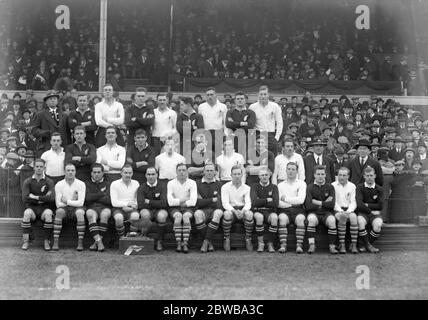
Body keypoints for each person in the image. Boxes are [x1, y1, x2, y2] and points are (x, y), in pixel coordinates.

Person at [21, 158, 55, 251]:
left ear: (44, 168)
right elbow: (25, 198)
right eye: (37, 166)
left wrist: (35, 197)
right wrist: (43, 199)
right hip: (32, 208)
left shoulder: (49, 181)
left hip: (45, 208)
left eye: (41, 166)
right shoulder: (28, 181)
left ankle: (46, 241)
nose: (39, 168)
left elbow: (51, 198)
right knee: (26, 214)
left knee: (48, 214)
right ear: (34, 168)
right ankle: (26, 241)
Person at [304, 165, 338, 254]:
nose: (320, 176)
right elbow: (308, 205)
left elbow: (331, 205)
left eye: (322, 174)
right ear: (314, 175)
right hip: (313, 213)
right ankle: (311, 245)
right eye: (318, 174)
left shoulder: (330, 187)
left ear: (325, 175)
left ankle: (332, 246)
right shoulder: (310, 187)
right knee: (311, 219)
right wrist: (324, 203)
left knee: (332, 220)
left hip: (327, 213)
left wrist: (317, 202)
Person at [53, 163, 86, 251]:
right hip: (64, 209)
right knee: (59, 212)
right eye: (68, 170)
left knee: (80, 213)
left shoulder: (81, 184)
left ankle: (80, 242)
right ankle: (55, 242)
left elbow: (81, 203)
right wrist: (73, 201)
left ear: (75, 172)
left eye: (72, 170)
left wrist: (67, 201)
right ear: (64, 172)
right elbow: (58, 204)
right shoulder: (59, 184)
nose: (70, 172)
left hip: (77, 208)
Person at [221, 164, 254, 251]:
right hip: (231, 209)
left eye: (239, 174)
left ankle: (248, 239)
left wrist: (242, 211)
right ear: (231, 175)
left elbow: (248, 203)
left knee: (249, 214)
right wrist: (234, 211)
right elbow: (225, 203)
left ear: (242, 175)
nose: (237, 176)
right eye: (234, 174)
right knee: (226, 214)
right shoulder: (225, 187)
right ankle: (226, 239)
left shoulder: (247, 188)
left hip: (242, 209)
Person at [277, 162, 307, 253]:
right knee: (282, 218)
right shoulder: (280, 185)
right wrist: (292, 203)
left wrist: (285, 198)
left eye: (293, 169)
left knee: (300, 219)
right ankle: (283, 245)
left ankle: (299, 245)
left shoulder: (302, 184)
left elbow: (301, 200)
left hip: (298, 210)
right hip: (284, 209)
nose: (291, 171)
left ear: (297, 171)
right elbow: (278, 202)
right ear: (286, 170)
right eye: (289, 169)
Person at [167, 163, 197, 253]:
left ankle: (185, 243)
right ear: (176, 172)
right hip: (174, 208)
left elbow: (193, 201)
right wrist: (185, 199)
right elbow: (170, 202)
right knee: (178, 216)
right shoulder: (170, 183)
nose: (181, 172)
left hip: (188, 208)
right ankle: (178, 243)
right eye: (179, 170)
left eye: (184, 170)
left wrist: (177, 201)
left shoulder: (192, 183)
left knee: (186, 216)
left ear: (187, 171)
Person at [137, 167, 168, 251]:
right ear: (145, 175)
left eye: (153, 174)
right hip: (148, 210)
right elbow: (140, 204)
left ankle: (159, 241)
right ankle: (144, 239)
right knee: (144, 214)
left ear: (157, 175)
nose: (151, 176)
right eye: (149, 174)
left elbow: (164, 203)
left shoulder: (163, 186)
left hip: (160, 210)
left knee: (162, 216)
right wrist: (156, 203)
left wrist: (149, 201)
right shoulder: (141, 187)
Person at [194, 162, 224, 253]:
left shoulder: (220, 184)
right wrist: (212, 200)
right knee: (197, 214)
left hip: (216, 210)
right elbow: (197, 203)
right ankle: (209, 242)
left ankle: (206, 241)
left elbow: (219, 203)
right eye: (207, 170)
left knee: (218, 213)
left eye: (211, 170)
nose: (209, 172)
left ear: (215, 172)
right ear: (203, 172)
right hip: (202, 210)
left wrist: (204, 201)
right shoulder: (196, 184)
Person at [32, 90, 69, 157]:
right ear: (46, 102)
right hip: (46, 146)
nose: (53, 100)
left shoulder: (64, 115)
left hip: (62, 147)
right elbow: (34, 131)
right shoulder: (40, 115)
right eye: (50, 99)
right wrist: (46, 132)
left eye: (54, 98)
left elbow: (68, 133)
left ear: (57, 101)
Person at [356, 166, 384, 253]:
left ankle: (366, 245)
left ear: (375, 176)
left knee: (378, 225)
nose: (369, 177)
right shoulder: (359, 187)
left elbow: (380, 206)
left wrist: (367, 204)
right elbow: (359, 204)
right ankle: (369, 246)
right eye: (367, 175)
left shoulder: (380, 189)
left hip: (375, 214)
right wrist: (370, 210)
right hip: (363, 213)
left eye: (371, 175)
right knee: (360, 222)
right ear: (364, 176)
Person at [84, 163, 111, 252]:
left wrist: (94, 197)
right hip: (91, 207)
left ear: (103, 173)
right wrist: (101, 194)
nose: (96, 174)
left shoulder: (108, 184)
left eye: (99, 172)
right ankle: (99, 242)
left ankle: (96, 243)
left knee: (105, 214)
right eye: (94, 172)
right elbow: (87, 199)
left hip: (105, 207)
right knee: (90, 214)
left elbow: (109, 200)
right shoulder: (86, 184)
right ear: (91, 173)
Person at [251, 167, 279, 253]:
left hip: (270, 211)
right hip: (258, 210)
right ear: (259, 176)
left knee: (274, 218)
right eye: (262, 175)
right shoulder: (254, 186)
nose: (264, 177)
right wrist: (267, 199)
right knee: (259, 217)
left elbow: (275, 203)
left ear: (269, 175)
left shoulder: (274, 187)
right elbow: (254, 202)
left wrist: (261, 200)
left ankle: (270, 244)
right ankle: (261, 243)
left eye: (266, 175)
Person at [249, 86, 283, 156]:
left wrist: (277, 137)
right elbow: (250, 123)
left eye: (265, 94)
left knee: (272, 157)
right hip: (257, 134)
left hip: (271, 135)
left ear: (268, 95)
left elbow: (279, 122)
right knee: (256, 157)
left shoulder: (275, 106)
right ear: (258, 95)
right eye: (261, 94)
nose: (263, 96)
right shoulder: (252, 107)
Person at [332, 167, 359, 254]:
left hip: (348, 209)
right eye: (340, 175)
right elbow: (334, 202)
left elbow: (353, 202)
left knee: (354, 218)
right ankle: (342, 244)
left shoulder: (352, 186)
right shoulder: (333, 185)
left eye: (344, 175)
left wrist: (348, 211)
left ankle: (353, 244)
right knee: (343, 217)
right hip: (337, 209)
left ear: (348, 176)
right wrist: (341, 211)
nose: (341, 177)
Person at [110, 164, 140, 239]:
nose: (128, 175)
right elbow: (114, 202)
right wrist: (126, 204)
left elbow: (138, 200)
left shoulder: (136, 183)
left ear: (132, 173)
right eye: (125, 173)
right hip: (118, 208)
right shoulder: (114, 184)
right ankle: (122, 238)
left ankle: (131, 238)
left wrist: (132, 207)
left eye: (130, 173)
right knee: (119, 218)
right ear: (121, 173)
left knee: (135, 216)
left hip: (132, 208)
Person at [197, 87, 228, 157]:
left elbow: (225, 122)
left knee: (219, 154)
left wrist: (226, 134)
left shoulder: (223, 106)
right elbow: (199, 122)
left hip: (218, 134)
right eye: (207, 95)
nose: (209, 96)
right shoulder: (201, 107)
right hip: (206, 134)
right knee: (207, 155)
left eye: (211, 94)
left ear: (216, 95)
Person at [94, 83, 125, 148]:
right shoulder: (98, 105)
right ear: (102, 92)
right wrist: (111, 125)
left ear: (113, 92)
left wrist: (107, 119)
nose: (107, 91)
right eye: (105, 90)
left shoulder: (119, 105)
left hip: (116, 131)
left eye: (109, 90)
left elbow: (121, 120)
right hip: (102, 132)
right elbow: (98, 122)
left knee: (120, 149)